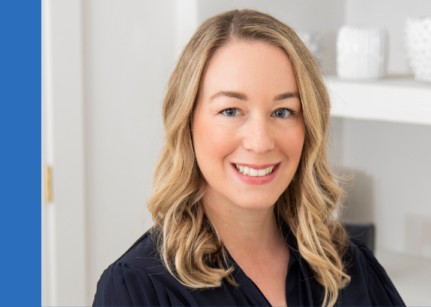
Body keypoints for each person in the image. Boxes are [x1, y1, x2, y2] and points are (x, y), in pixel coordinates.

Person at [93, 9, 405, 307]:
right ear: (186, 123)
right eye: (230, 111)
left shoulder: (350, 265)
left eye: (282, 112)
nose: (260, 142)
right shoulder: (137, 289)